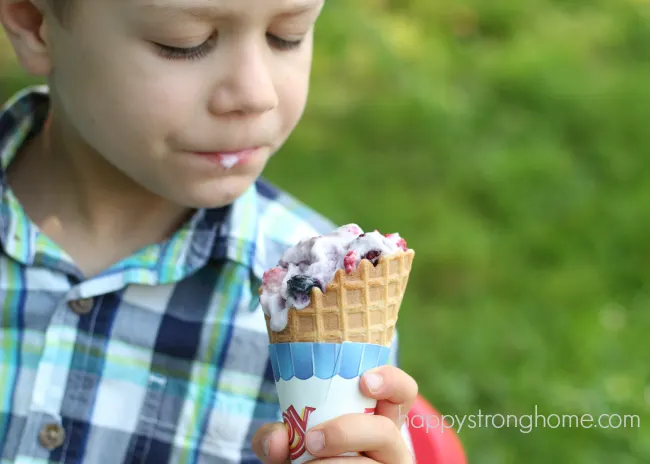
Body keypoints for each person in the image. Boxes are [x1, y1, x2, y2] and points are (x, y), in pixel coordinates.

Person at [0, 0, 419, 462]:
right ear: (34, 22)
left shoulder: (328, 296)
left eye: (288, 35)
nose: (256, 94)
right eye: (184, 44)